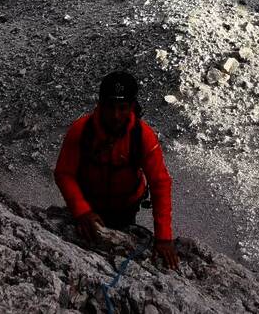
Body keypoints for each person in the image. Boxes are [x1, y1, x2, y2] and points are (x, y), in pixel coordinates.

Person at [54, 71, 179, 269]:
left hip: (125, 209)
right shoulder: (81, 131)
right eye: (110, 107)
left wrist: (163, 238)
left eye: (122, 108)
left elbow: (160, 183)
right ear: (100, 104)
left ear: (132, 107)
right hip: (89, 206)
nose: (115, 115)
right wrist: (81, 211)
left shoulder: (143, 136)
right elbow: (64, 173)